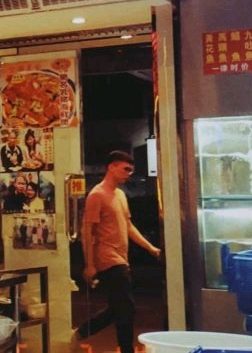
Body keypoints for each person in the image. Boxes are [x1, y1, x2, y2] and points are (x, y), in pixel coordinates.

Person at [76, 150, 161, 353]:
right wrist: (90, 264)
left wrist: (150, 248)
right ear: (111, 167)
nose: (128, 174)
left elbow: (128, 226)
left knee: (120, 307)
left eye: (131, 170)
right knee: (125, 308)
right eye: (125, 169)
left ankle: (81, 333)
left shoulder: (120, 195)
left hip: (121, 257)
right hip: (108, 258)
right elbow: (87, 231)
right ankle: (125, 349)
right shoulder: (97, 195)